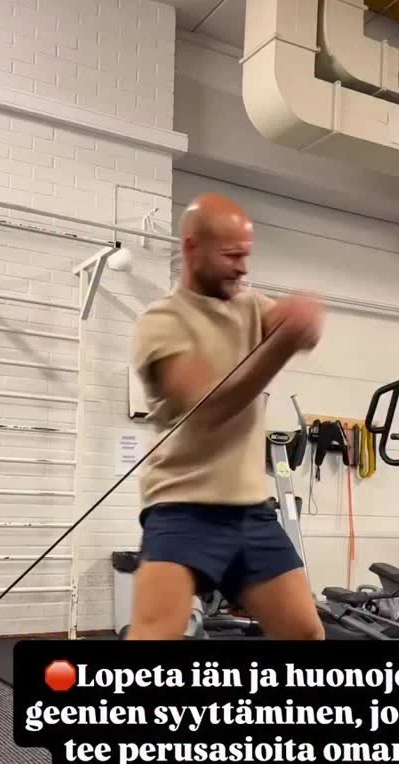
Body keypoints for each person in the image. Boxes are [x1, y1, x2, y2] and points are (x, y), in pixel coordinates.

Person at [127, 192, 326, 641]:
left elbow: (295, 329)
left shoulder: (249, 305)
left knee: (306, 635)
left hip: (250, 512)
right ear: (192, 248)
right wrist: (284, 343)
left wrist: (305, 321)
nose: (242, 268)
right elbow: (209, 408)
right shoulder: (162, 322)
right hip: (183, 508)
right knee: (154, 639)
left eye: (246, 255)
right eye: (231, 256)